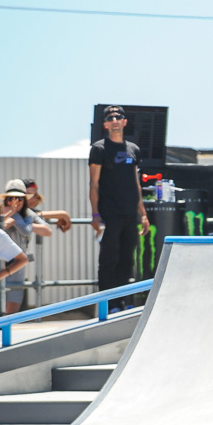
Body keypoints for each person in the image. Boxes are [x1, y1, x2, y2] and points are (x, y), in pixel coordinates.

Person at [89, 105, 151, 299]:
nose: (114, 120)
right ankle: (109, 304)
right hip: (110, 214)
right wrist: (95, 214)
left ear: (125, 122)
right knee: (109, 260)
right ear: (105, 125)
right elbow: (94, 183)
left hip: (130, 214)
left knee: (127, 260)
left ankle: (124, 302)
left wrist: (143, 214)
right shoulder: (99, 149)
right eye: (110, 118)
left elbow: (136, 183)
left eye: (118, 117)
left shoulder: (133, 149)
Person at [0, 179, 51, 314]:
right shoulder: (0, 212)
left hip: (18, 263)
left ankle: (8, 325)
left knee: (13, 304)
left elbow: (47, 230)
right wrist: (10, 217)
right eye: (10, 198)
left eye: (19, 199)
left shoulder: (28, 214)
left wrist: (25, 223)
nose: (14, 202)